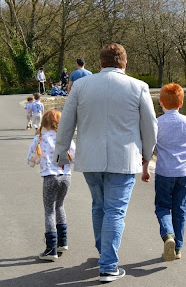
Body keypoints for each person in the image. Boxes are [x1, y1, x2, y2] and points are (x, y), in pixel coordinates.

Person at [55, 43, 157, 283]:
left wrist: (61, 153)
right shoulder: (139, 87)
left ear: (100, 63)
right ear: (125, 63)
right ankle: (109, 265)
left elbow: (66, 121)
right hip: (124, 158)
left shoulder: (80, 86)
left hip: (90, 158)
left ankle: (104, 252)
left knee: (99, 206)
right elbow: (150, 125)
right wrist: (147, 152)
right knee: (115, 211)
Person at [142, 83, 186, 262]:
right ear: (181, 103)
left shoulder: (158, 123)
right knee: (180, 209)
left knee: (163, 207)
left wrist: (145, 169)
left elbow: (149, 148)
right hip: (183, 173)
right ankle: (178, 248)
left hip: (165, 173)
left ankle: (168, 235)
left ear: (161, 103)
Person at [26, 109, 75, 261]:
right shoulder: (66, 138)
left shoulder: (40, 139)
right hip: (66, 176)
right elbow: (74, 156)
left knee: (49, 211)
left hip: (50, 178)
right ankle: (63, 242)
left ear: (44, 123)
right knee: (60, 206)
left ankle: (51, 249)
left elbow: (30, 159)